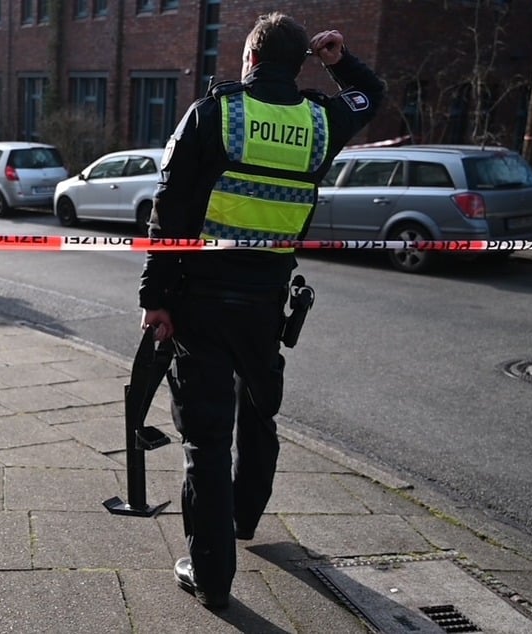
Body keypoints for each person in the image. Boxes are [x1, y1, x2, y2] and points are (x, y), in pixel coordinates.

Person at [138, 12, 385, 610]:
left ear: (249, 60)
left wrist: (156, 299)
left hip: (201, 303)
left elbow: (170, 212)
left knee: (206, 440)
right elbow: (370, 96)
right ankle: (245, 522)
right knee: (260, 416)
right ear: (297, 63)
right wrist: (337, 60)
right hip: (267, 304)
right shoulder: (321, 120)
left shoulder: (213, 113)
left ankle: (212, 577)